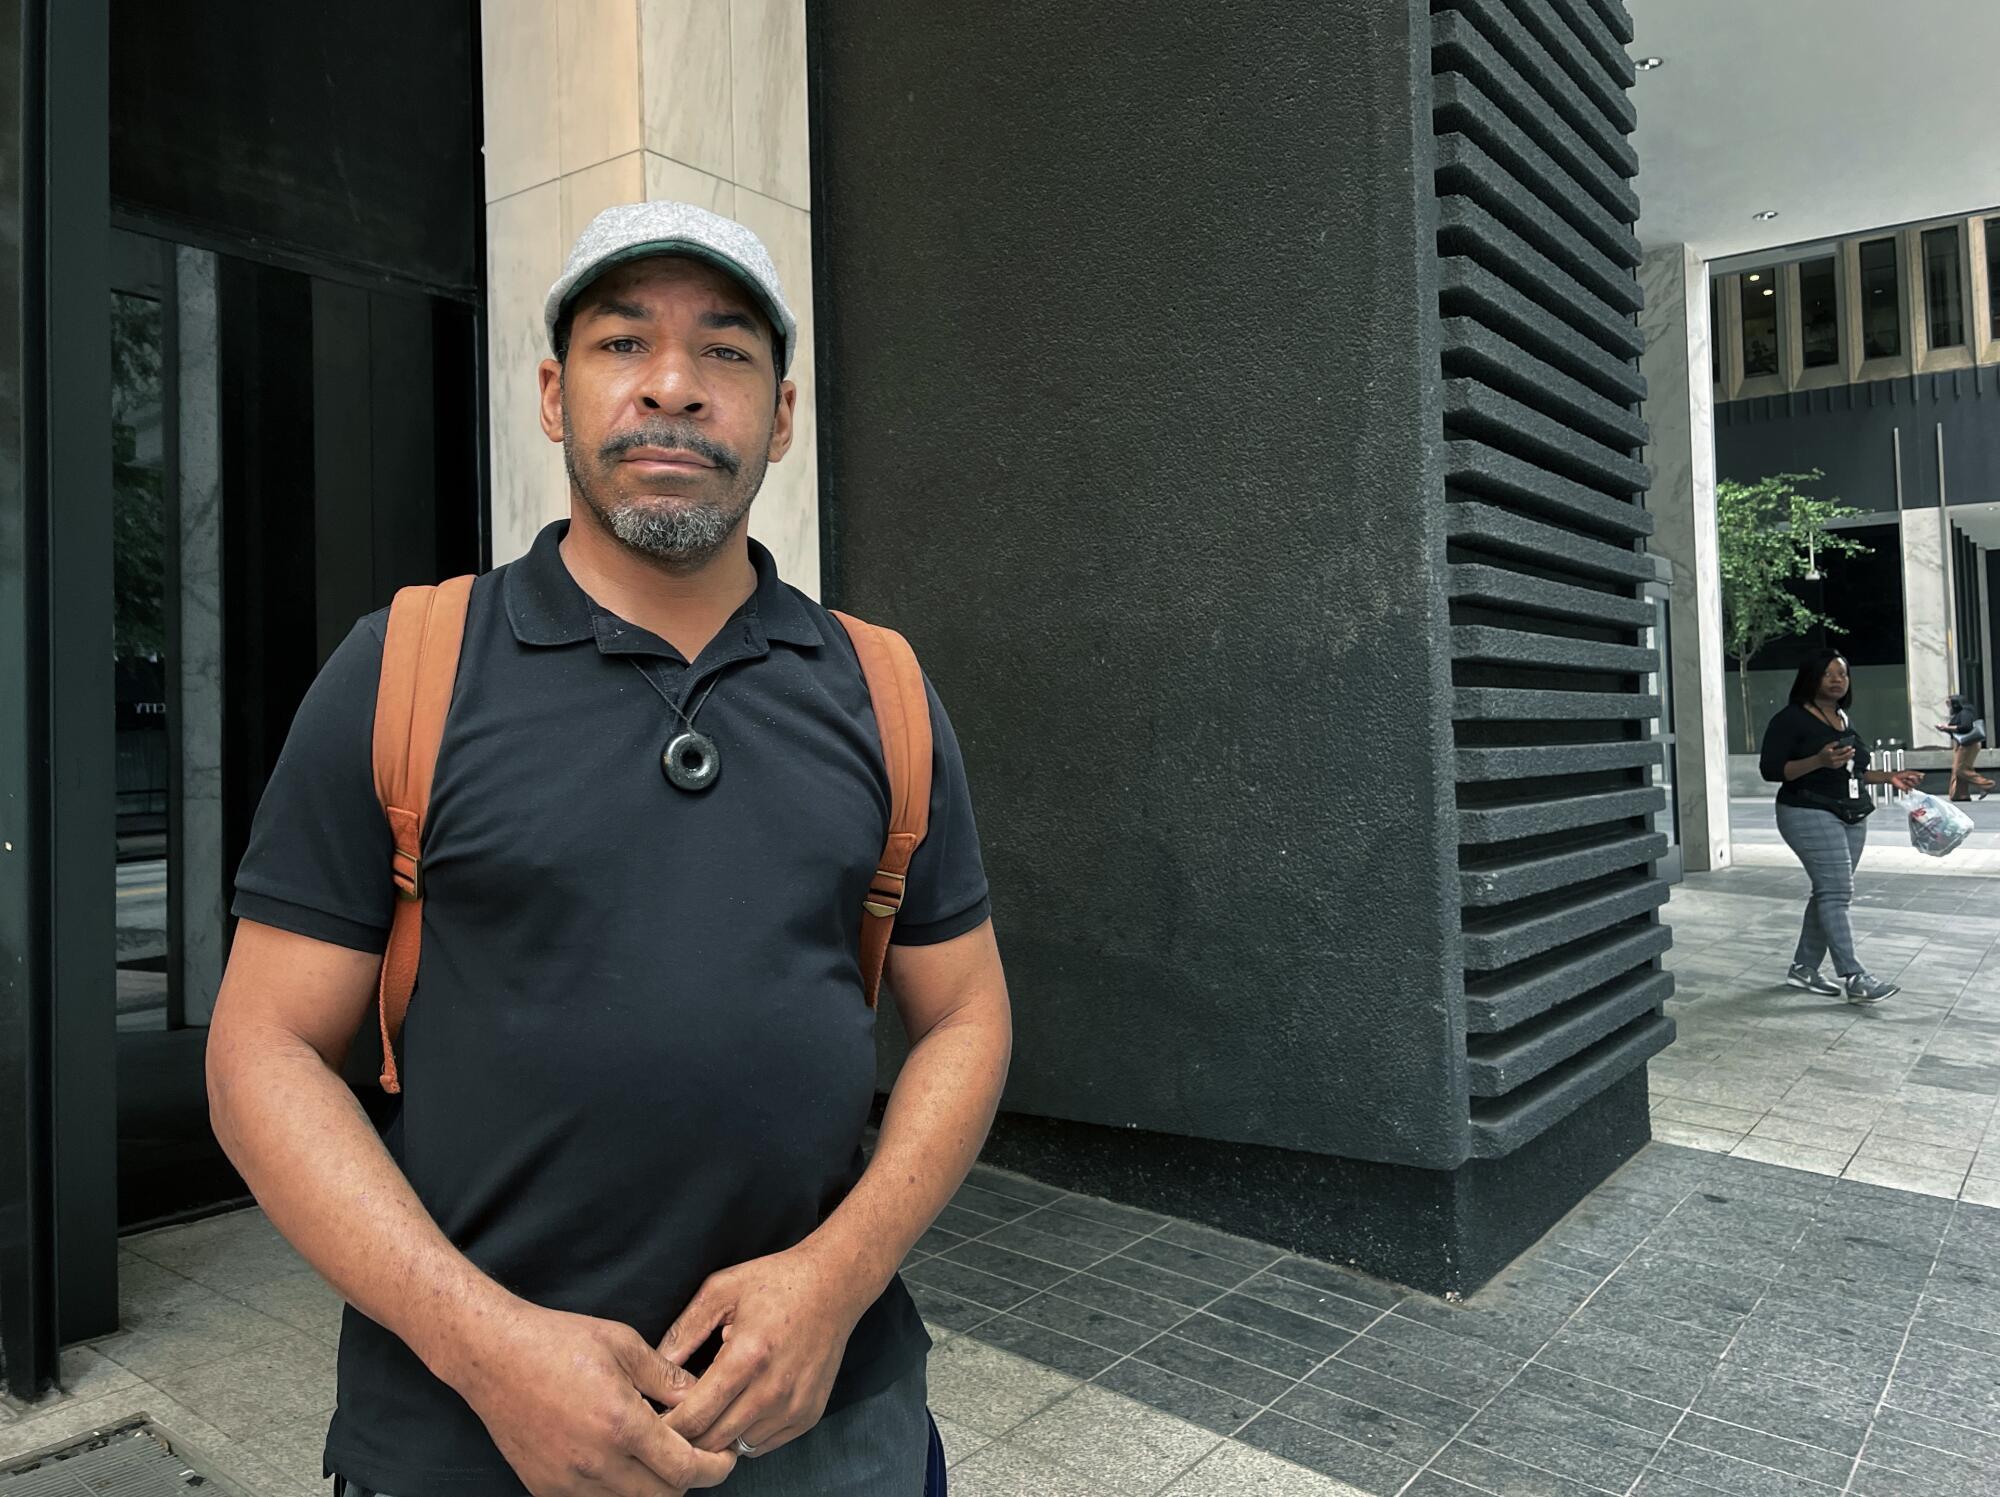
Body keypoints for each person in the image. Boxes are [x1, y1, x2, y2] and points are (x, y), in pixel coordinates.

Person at [206, 202, 1013, 1497]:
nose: (674, 386)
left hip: (829, 1432)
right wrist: (486, 1348)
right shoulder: (406, 667)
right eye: (623, 342)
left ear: (785, 414)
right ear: (551, 394)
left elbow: (964, 1013)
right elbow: (259, 1055)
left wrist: (837, 1276)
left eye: (727, 352)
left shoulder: (884, 689)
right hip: (463, 1440)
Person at [1759, 649, 1922, 1005]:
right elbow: (1772, 771)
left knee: (1827, 891)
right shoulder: (1790, 719)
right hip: (1806, 810)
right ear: (1811, 678)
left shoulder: (1841, 718)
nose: (1837, 680)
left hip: (1851, 814)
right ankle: (1855, 976)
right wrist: (1817, 760)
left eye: (1843, 674)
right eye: (1829, 673)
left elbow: (1855, 771)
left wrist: (1891, 777)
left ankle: (1803, 968)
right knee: (1836, 892)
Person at [1934, 693, 1993, 802]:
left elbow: (1965, 727)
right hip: (1963, 744)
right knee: (1959, 769)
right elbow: (1957, 732)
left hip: (1968, 744)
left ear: (1956, 703)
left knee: (1960, 769)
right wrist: (1946, 729)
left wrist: (1947, 727)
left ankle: (1986, 784)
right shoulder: (1960, 714)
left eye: (1949, 703)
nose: (1948, 706)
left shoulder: (1965, 713)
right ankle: (1960, 795)